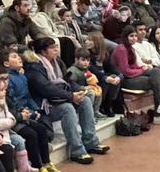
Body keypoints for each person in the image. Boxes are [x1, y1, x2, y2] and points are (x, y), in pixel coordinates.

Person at [26, 35, 107, 164]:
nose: (56, 50)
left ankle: (91, 142)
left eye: (56, 47)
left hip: (60, 98)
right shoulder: (34, 67)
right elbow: (46, 88)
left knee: (85, 100)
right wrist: (70, 96)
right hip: (44, 105)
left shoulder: (58, 62)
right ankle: (77, 151)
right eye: (52, 48)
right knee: (67, 108)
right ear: (43, 51)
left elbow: (67, 81)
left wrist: (80, 90)